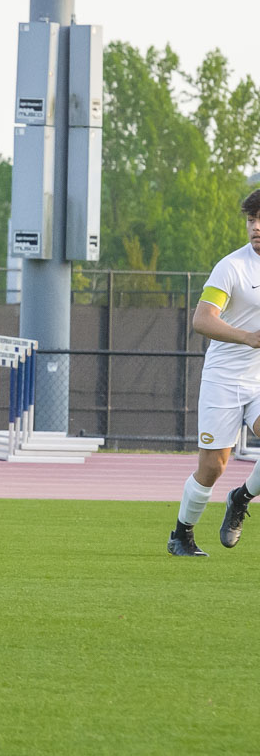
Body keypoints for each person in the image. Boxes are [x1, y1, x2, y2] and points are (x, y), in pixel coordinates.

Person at [168, 188, 260, 556]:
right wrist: (248, 339)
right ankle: (181, 534)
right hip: (224, 378)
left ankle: (242, 497)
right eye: (252, 220)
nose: (256, 227)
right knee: (212, 467)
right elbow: (202, 320)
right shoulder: (232, 267)